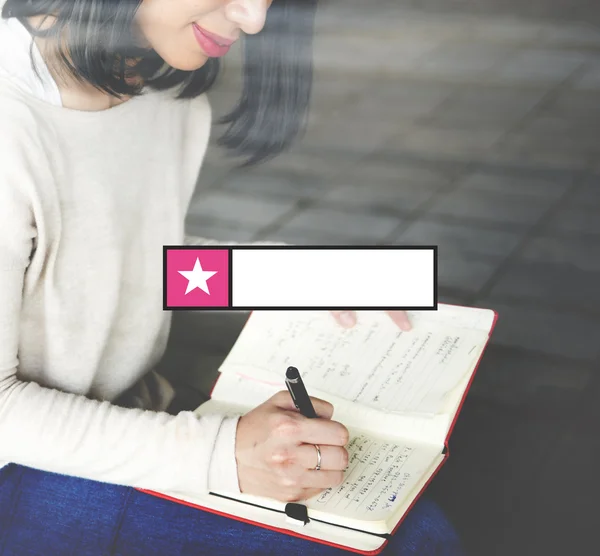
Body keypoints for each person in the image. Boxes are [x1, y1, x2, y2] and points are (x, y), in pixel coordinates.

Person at [0, 0, 463, 553]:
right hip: (21, 466)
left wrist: (299, 279)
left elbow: (120, 263)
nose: (254, 18)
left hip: (131, 415)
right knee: (410, 539)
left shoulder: (160, 90)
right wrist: (225, 455)